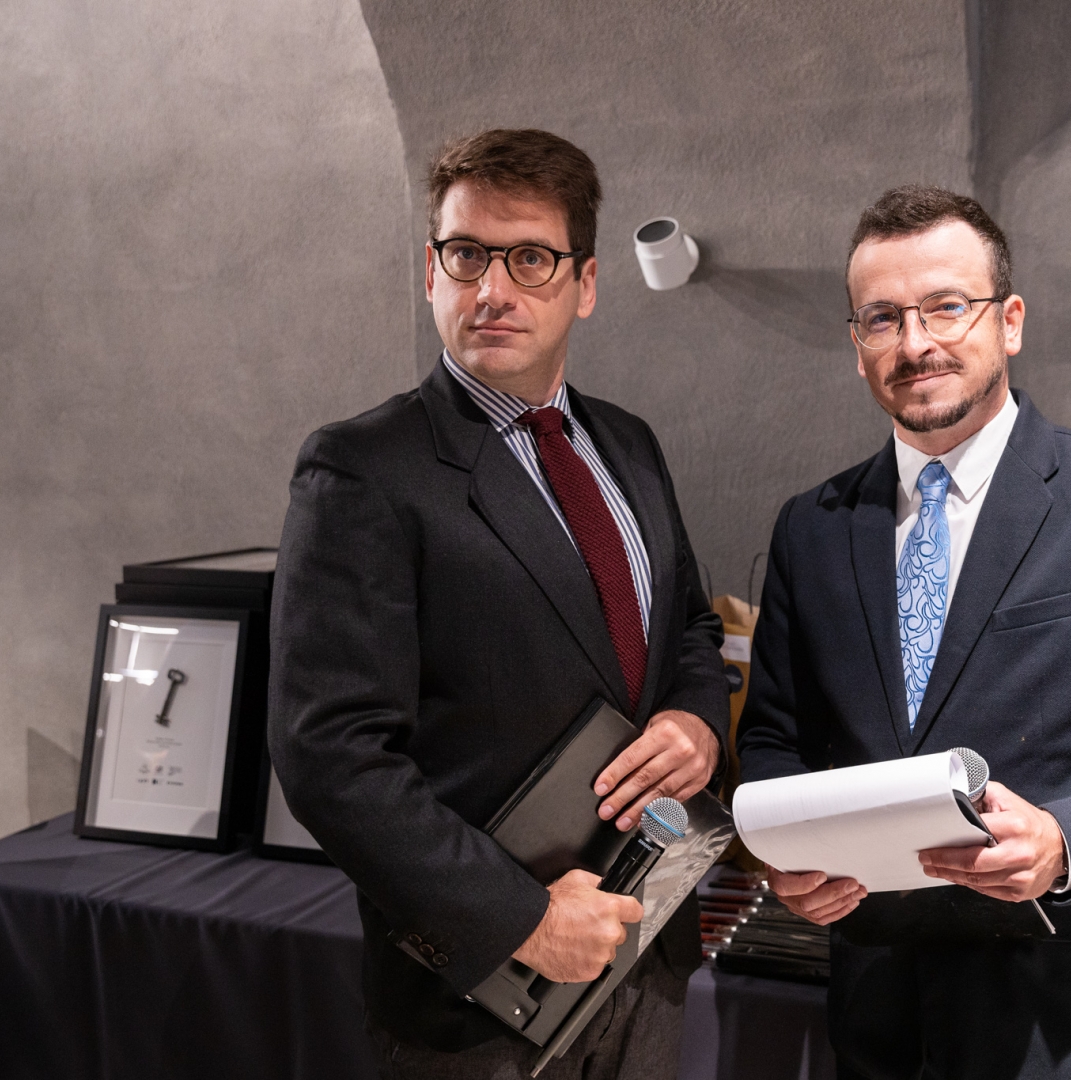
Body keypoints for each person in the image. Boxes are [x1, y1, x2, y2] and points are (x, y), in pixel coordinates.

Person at [735, 185, 1071, 1080]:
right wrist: (788, 854)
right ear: (857, 344)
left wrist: (1069, 842)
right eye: (883, 318)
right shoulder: (812, 527)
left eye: (947, 307)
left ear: (1011, 321)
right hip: (881, 1034)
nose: (916, 343)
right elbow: (774, 740)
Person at [268, 128, 729, 1079]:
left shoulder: (630, 445)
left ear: (585, 284)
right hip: (484, 996)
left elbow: (687, 622)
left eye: (530, 259)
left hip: (647, 949)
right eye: (467, 255)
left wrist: (695, 719)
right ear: (429, 272)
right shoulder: (362, 470)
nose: (492, 290)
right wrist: (520, 920)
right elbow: (329, 753)